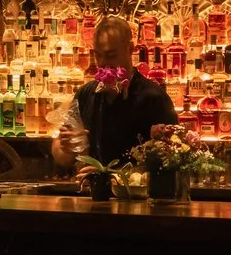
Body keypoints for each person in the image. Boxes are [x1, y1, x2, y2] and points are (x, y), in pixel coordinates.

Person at [51, 16, 178, 170]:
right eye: (98, 55)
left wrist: (109, 176)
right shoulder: (86, 94)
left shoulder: (154, 98)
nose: (103, 63)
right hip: (92, 191)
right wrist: (65, 147)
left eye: (111, 55)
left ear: (130, 49)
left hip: (135, 192)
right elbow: (61, 158)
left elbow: (172, 161)